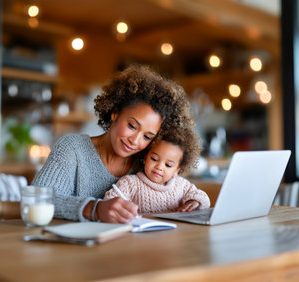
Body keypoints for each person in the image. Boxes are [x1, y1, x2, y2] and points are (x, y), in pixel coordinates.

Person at [33, 65, 193, 223]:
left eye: (147, 137)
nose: (135, 141)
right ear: (114, 113)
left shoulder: (150, 163)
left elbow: (176, 192)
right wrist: (94, 209)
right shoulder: (73, 148)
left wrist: (191, 203)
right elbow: (37, 198)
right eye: (132, 126)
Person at [103, 126, 210, 214]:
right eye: (154, 159)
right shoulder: (130, 183)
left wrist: (194, 201)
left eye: (168, 165)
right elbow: (109, 202)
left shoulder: (182, 186)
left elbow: (202, 198)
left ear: (177, 169)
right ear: (145, 158)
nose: (159, 167)